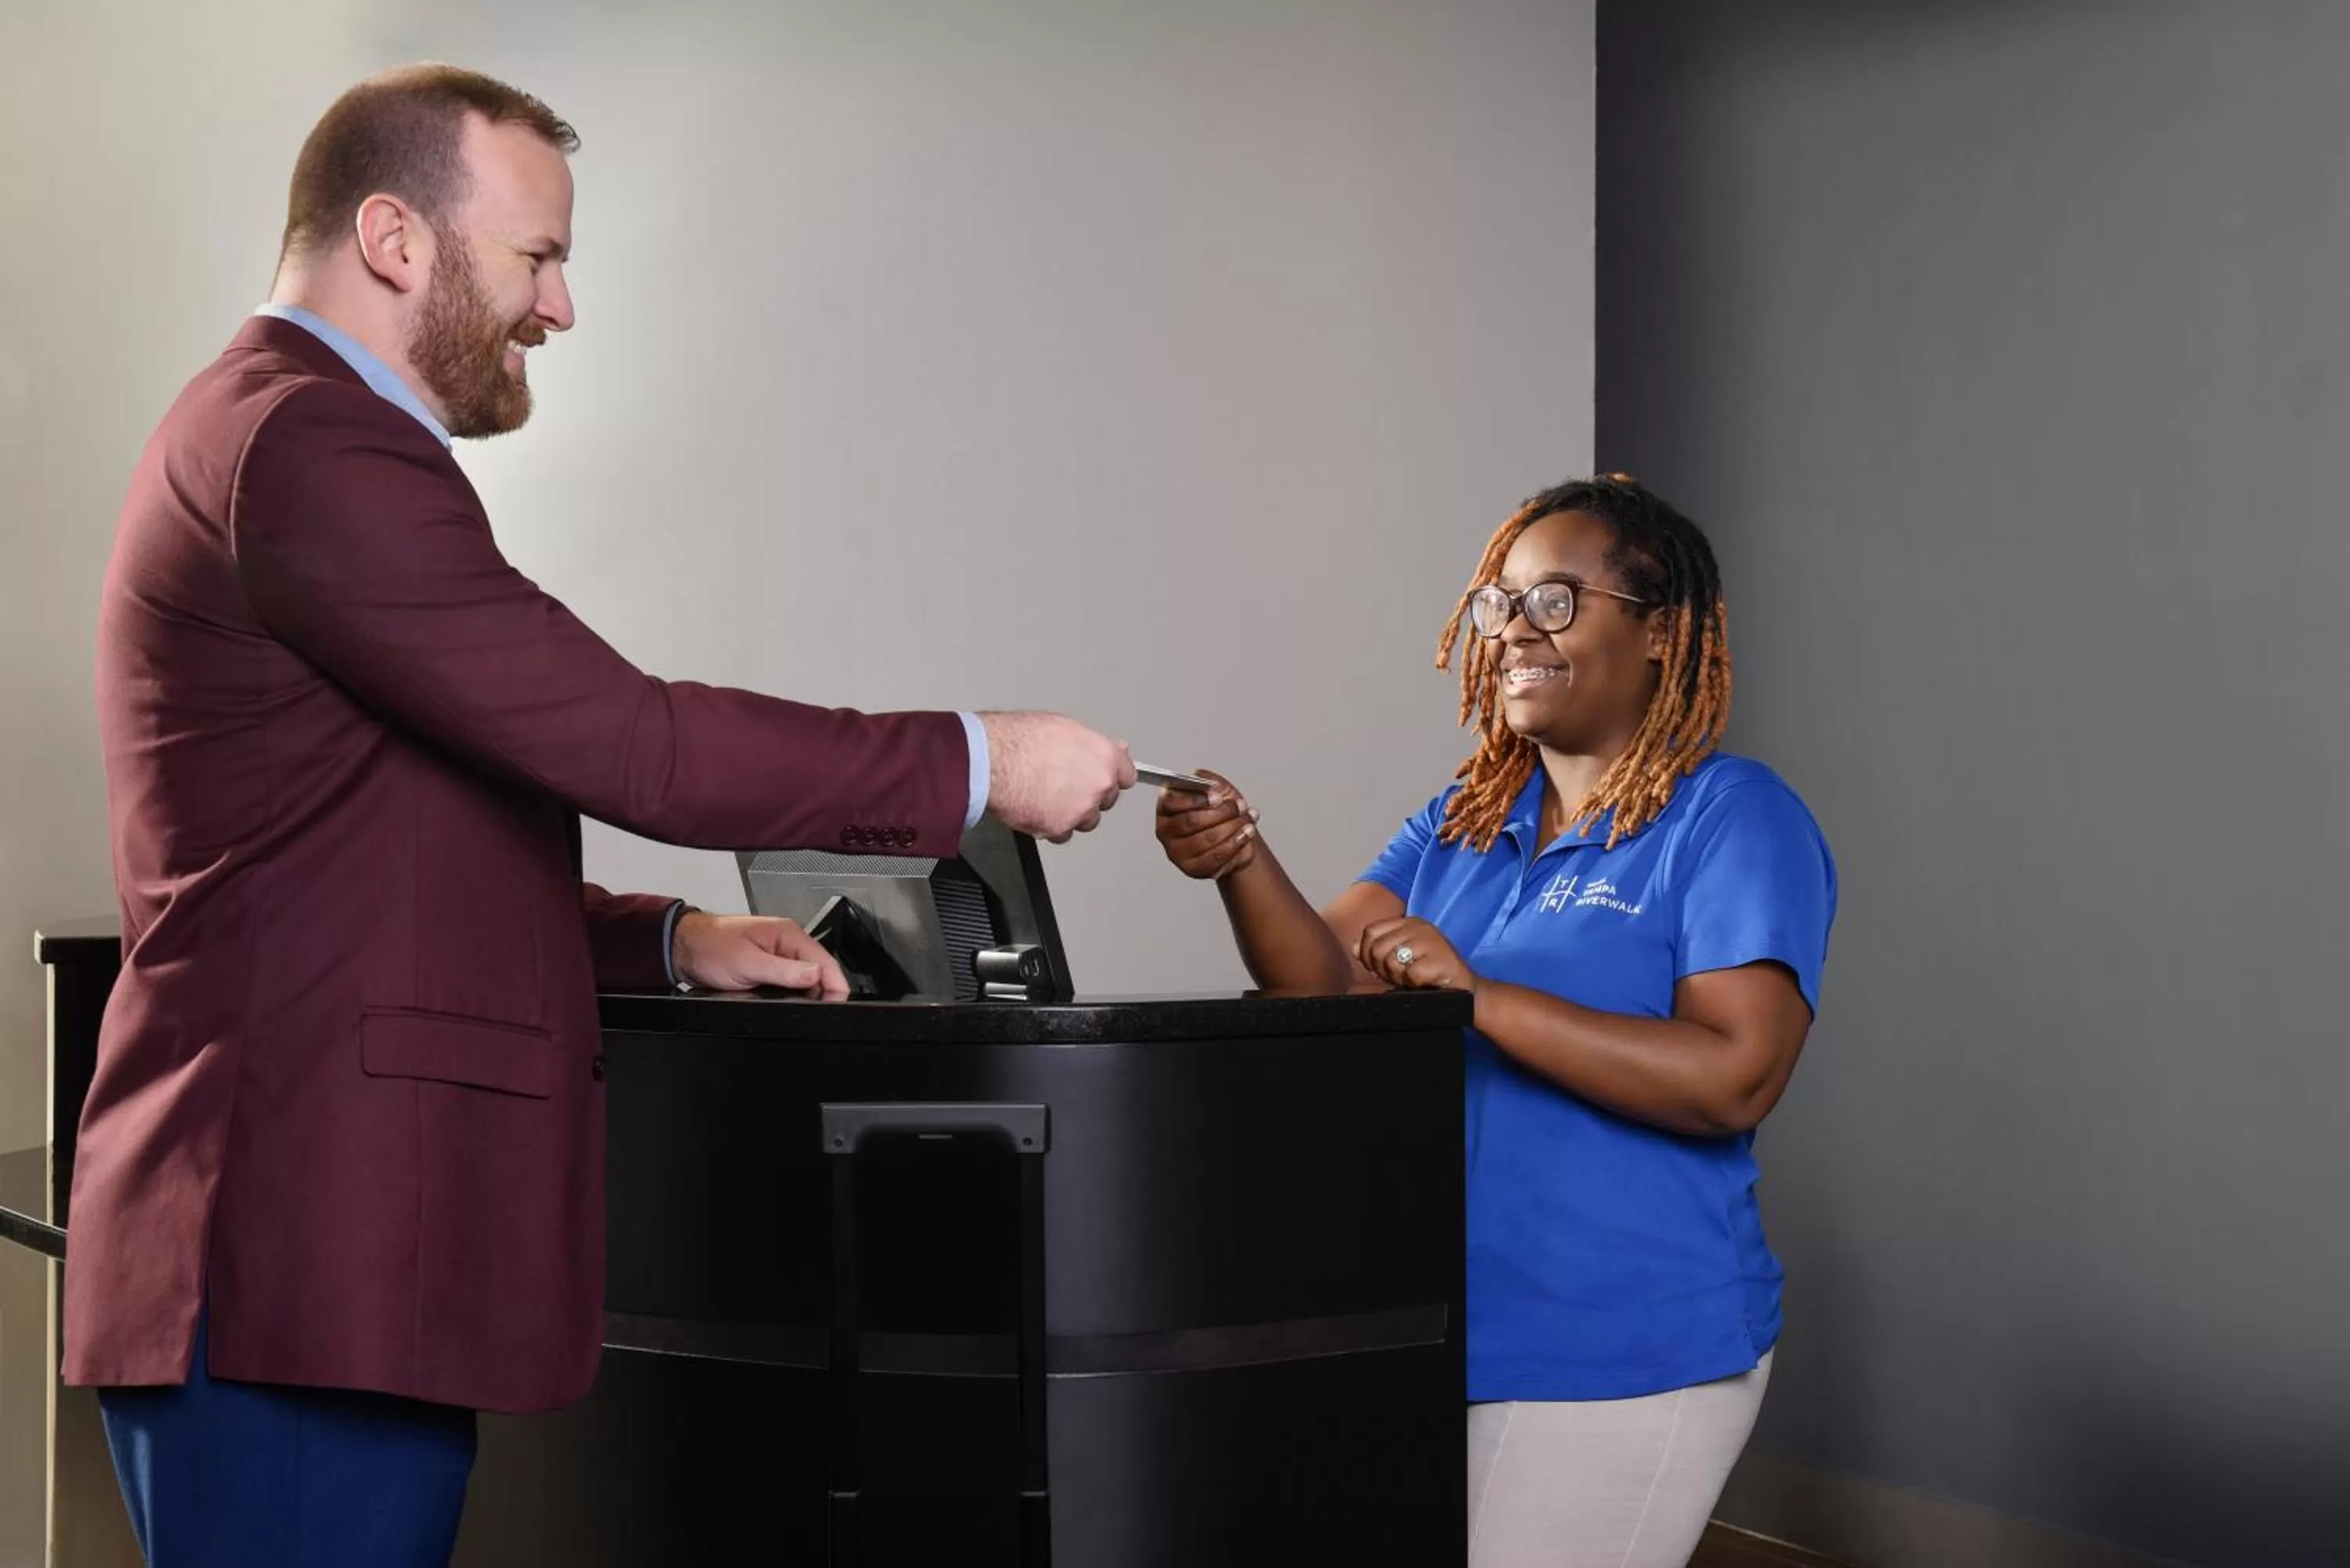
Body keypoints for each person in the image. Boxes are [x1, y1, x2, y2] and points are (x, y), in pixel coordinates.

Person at [71, 64, 1134, 1568]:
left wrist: (668, 939)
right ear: (393, 236)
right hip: (294, 1269)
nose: (560, 308)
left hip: (301, 1275)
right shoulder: (308, 444)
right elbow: (631, 742)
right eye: (538, 257)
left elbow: (349, 851)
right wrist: (982, 760)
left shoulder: (280, 434)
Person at [1155, 474, 1836, 1568]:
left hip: (1626, 1337)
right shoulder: (1465, 820)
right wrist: (1240, 860)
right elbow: (1317, 985)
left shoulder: (1733, 817)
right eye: (1501, 602)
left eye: (1557, 599)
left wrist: (1478, 996)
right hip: (1446, 1324)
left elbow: (1736, 1076)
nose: (1515, 627)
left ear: (1660, 633)